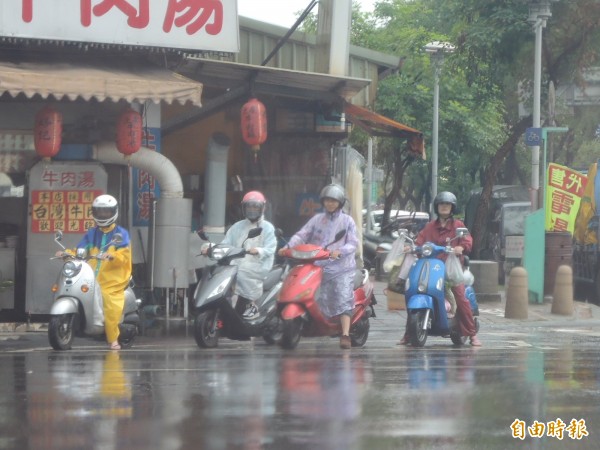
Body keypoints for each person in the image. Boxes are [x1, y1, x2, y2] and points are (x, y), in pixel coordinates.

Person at [278, 183, 359, 350]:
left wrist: (339, 251)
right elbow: (302, 234)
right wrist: (288, 247)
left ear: (340, 202)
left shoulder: (347, 221)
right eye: (328, 200)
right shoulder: (316, 219)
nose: (330, 203)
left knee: (342, 299)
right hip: (317, 265)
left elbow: (352, 243)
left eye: (334, 201)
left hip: (340, 268)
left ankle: (345, 334)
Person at [399, 191, 482, 347]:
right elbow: (419, 241)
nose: (444, 207)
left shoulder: (459, 225)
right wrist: (411, 247)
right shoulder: (430, 226)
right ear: (437, 207)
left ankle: (472, 334)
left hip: (451, 270)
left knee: (460, 297)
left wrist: (461, 247)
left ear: (452, 208)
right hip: (431, 268)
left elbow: (468, 241)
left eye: (447, 204)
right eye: (442, 204)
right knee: (412, 291)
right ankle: (409, 333)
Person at [57, 194, 132, 350]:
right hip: (91, 276)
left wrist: (113, 255)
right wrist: (67, 253)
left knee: (109, 304)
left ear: (114, 212)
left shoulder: (121, 234)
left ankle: (113, 339)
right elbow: (80, 249)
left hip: (113, 279)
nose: (103, 215)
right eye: (100, 212)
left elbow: (124, 256)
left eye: (107, 212)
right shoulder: (91, 233)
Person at [218, 190, 277, 320]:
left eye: (255, 206)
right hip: (237, 265)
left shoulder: (267, 227)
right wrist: (212, 249)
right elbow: (226, 243)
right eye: (249, 206)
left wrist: (259, 251)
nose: (252, 210)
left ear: (263, 208)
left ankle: (251, 307)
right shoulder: (237, 227)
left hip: (258, 266)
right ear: (243, 208)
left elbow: (271, 248)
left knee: (244, 273)